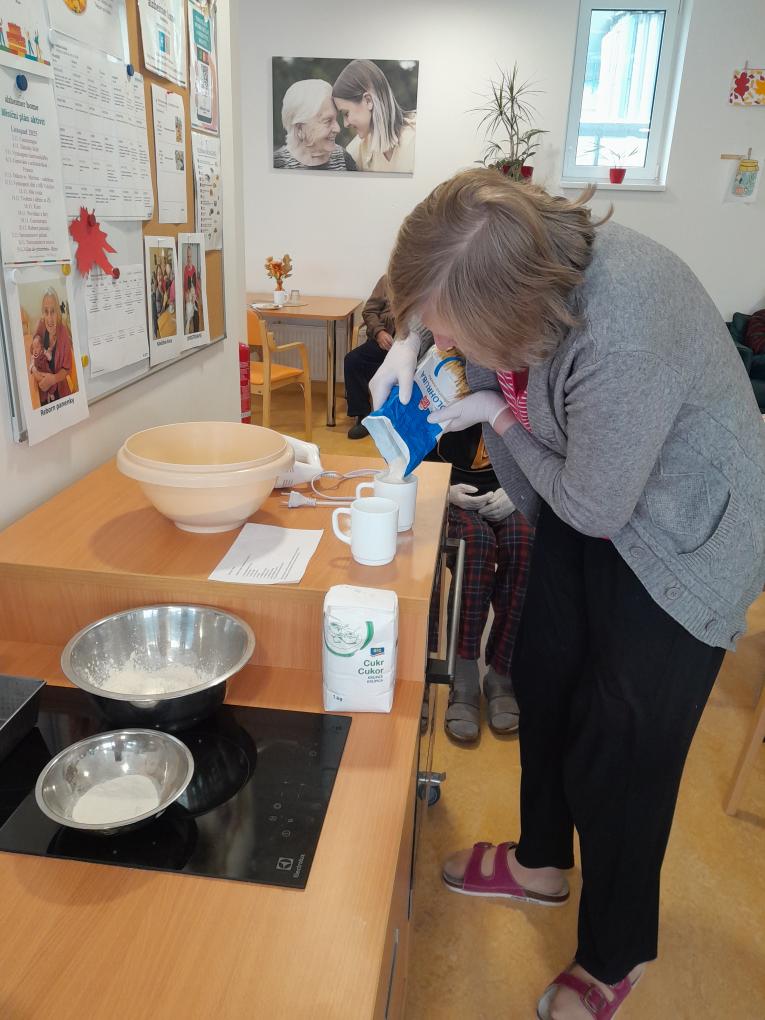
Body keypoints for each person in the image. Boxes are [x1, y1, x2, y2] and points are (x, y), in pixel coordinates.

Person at [370, 170, 765, 1020]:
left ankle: (617, 952)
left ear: (512, 311)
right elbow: (439, 279)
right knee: (544, 676)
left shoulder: (625, 327)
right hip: (593, 495)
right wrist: (408, 337)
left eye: (453, 330)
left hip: (680, 533)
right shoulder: (501, 248)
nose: (445, 341)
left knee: (622, 748)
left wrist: (493, 415)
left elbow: (588, 506)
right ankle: (540, 862)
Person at [426, 422, 534, 741]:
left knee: (524, 543)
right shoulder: (434, 389)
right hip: (451, 488)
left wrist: (521, 489)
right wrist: (444, 491)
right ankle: (464, 672)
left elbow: (546, 445)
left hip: (508, 489)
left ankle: (502, 670)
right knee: (475, 544)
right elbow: (404, 450)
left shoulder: (524, 392)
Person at [332, 60, 416, 173]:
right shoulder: (357, 150)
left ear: (368, 101)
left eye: (346, 113)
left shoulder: (417, 139)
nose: (345, 124)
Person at [344, 276, 397, 439]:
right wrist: (379, 332)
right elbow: (369, 311)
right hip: (384, 342)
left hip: (413, 346)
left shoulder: (429, 279)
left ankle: (401, 421)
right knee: (353, 360)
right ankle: (363, 416)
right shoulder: (388, 280)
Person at [274, 80, 357, 171]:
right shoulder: (277, 163)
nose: (337, 129)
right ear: (300, 128)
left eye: (335, 119)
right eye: (328, 121)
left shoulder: (344, 159)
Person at [31, 288, 74, 402]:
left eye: (53, 311)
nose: (49, 318)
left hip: (59, 390)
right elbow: (32, 351)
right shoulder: (41, 325)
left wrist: (53, 379)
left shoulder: (63, 333)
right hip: (41, 387)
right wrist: (34, 370)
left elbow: (67, 368)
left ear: (58, 312)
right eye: (46, 312)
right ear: (43, 313)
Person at [28, 333, 53, 405]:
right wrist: (32, 367)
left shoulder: (44, 352)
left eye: (37, 347)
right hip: (40, 374)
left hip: (47, 372)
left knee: (52, 384)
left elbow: (50, 358)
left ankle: (50, 393)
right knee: (41, 387)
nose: (35, 350)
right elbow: (30, 367)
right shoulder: (33, 357)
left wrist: (47, 353)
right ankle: (45, 398)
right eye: (33, 347)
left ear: (41, 347)